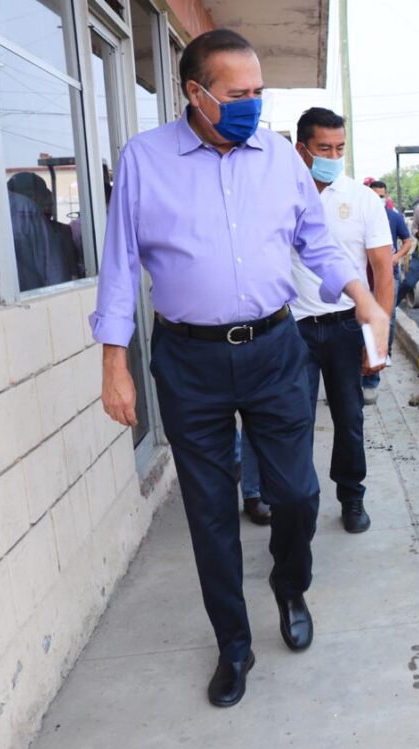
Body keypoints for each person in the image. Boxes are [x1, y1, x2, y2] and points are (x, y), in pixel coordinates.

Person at [90, 30, 389, 708]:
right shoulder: (145, 159)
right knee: (210, 513)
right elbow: (119, 265)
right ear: (194, 94)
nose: (254, 104)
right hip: (187, 359)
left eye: (260, 92)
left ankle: (291, 587)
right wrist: (115, 362)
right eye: (238, 94)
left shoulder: (281, 158)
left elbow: (314, 239)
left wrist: (361, 295)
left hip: (274, 350)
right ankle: (233, 644)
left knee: (296, 494)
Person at [290, 107, 393, 534]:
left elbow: (383, 272)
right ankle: (295, 504)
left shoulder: (363, 200)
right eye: (324, 148)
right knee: (291, 422)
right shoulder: (281, 196)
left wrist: (376, 341)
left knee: (349, 418)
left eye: (340, 148)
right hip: (292, 328)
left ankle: (352, 497)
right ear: (302, 150)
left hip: (345, 327)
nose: (333, 155)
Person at [363, 178, 415, 402]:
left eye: (382, 195)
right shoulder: (360, 216)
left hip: (387, 277)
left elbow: (407, 241)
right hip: (361, 280)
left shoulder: (393, 217)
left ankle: (381, 359)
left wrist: (394, 259)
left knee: (386, 319)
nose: (379, 199)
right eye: (375, 195)